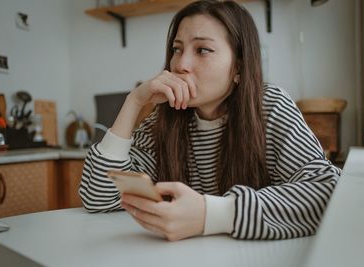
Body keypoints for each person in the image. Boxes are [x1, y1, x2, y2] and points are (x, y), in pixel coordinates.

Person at [79, 0, 341, 241]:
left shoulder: (269, 106)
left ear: (238, 67)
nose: (181, 64)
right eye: (177, 49)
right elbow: (98, 198)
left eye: (202, 49)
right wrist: (134, 101)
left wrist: (212, 214)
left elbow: (328, 192)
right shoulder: (164, 118)